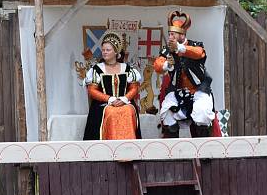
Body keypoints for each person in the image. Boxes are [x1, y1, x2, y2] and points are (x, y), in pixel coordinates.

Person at [154, 10, 215, 138]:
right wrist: (167, 65)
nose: (170, 37)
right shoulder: (167, 51)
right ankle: (174, 152)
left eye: (173, 34)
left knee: (202, 113)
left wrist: (180, 48)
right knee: (167, 114)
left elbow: (199, 53)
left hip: (199, 90)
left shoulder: (195, 45)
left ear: (182, 35)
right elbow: (158, 66)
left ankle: (203, 151)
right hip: (178, 92)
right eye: (169, 34)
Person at [82, 32, 143, 140]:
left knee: (129, 110)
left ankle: (128, 149)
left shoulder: (127, 68)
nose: (104, 52)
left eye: (108, 50)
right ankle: (109, 149)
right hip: (103, 105)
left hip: (124, 102)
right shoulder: (97, 69)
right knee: (110, 111)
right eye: (103, 50)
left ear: (116, 52)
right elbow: (92, 90)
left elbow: (134, 88)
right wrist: (110, 99)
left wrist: (124, 99)